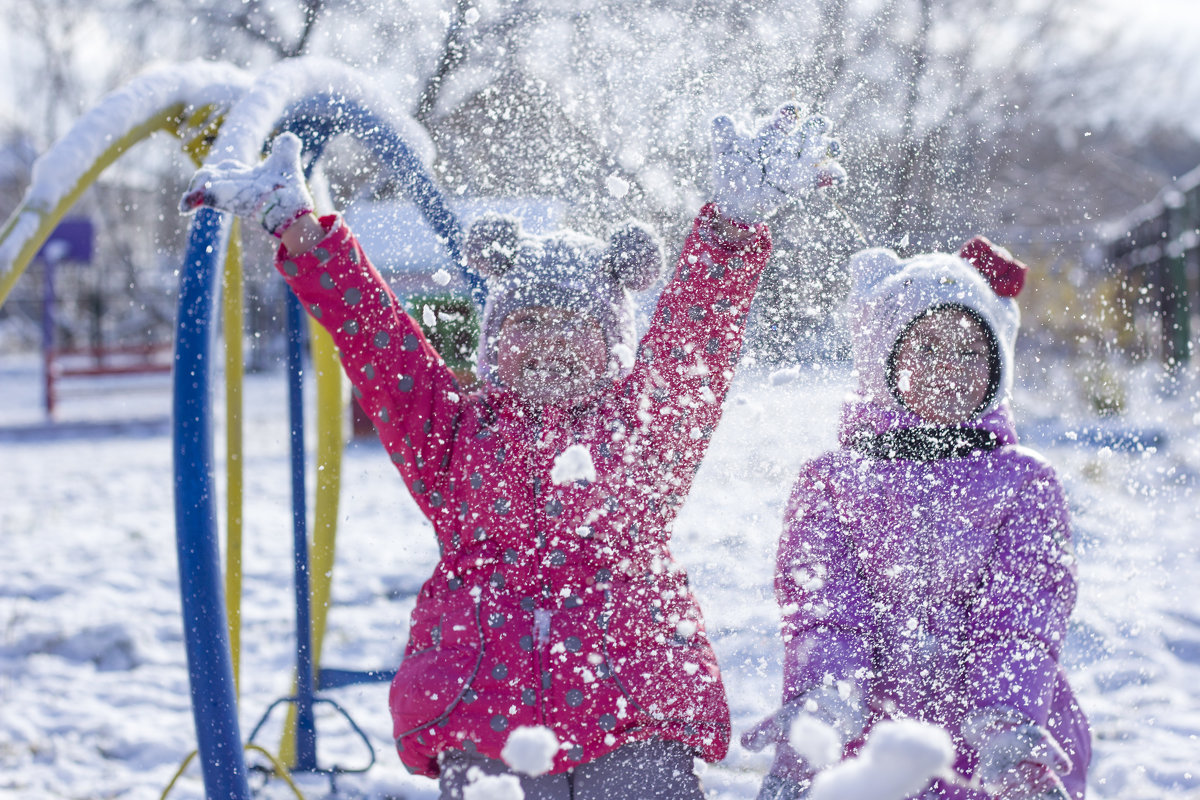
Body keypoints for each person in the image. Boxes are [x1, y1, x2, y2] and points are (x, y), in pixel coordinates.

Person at [181, 105, 845, 799]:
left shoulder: (643, 433)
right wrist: (302, 233)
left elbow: (691, 346)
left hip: (632, 715)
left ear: (610, 341)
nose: (549, 342)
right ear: (495, 339)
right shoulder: (452, 435)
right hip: (483, 718)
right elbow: (381, 345)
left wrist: (733, 227)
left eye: (574, 325)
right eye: (527, 322)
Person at [742, 239, 1091, 799]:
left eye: (971, 352)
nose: (949, 367)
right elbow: (823, 607)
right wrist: (827, 702)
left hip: (995, 742)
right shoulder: (832, 480)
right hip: (868, 735)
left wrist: (1005, 718)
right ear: (883, 356)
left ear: (997, 364)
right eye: (927, 348)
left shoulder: (1023, 481)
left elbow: (1024, 612)